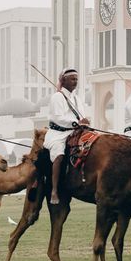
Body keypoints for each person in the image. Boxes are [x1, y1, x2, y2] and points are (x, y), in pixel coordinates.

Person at [44, 68, 89, 204]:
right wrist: (76, 122)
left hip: (75, 131)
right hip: (58, 134)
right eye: (72, 79)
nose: (75, 81)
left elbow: (81, 115)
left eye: (76, 79)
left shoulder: (77, 98)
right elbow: (58, 118)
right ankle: (55, 190)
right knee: (59, 154)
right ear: (63, 81)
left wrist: (85, 122)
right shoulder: (57, 97)